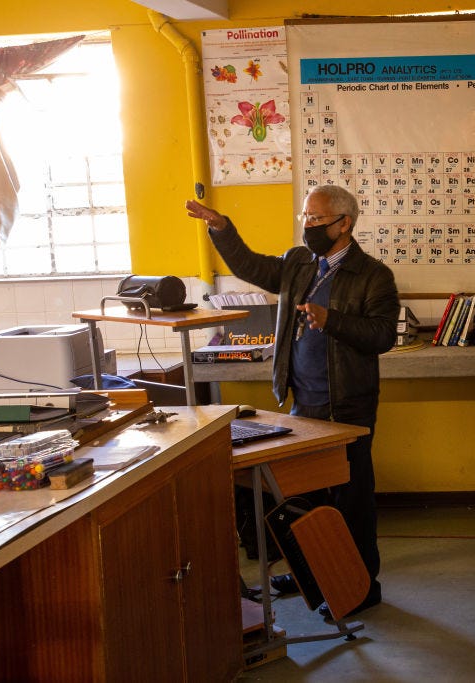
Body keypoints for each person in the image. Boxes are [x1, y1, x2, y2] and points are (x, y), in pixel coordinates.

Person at [186, 184, 399, 619]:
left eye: (317, 219)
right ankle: (313, 575)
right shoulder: (299, 263)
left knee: (351, 499)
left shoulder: (373, 275)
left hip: (348, 407)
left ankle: (361, 586)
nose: (309, 226)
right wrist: (222, 229)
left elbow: (382, 337)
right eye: (305, 217)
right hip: (304, 402)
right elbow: (250, 266)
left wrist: (331, 319)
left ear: (345, 224)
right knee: (305, 496)